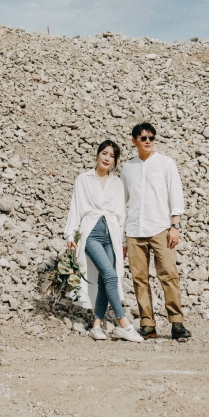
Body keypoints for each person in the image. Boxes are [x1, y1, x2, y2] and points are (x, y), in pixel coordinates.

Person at [64, 140, 144, 343]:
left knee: (104, 279)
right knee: (110, 275)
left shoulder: (117, 183)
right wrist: (70, 235)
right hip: (91, 232)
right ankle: (123, 322)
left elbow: (121, 215)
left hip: (112, 233)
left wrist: (124, 241)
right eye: (104, 153)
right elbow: (76, 206)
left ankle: (96, 325)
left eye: (112, 156)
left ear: (115, 161)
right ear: (98, 154)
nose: (107, 158)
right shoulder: (84, 179)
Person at [121, 122, 191, 341]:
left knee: (169, 275)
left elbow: (175, 194)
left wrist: (175, 226)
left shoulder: (166, 163)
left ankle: (177, 323)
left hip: (161, 228)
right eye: (143, 138)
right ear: (134, 141)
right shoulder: (127, 167)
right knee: (139, 278)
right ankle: (147, 324)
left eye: (151, 137)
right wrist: (122, 236)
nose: (148, 141)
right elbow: (122, 200)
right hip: (134, 230)